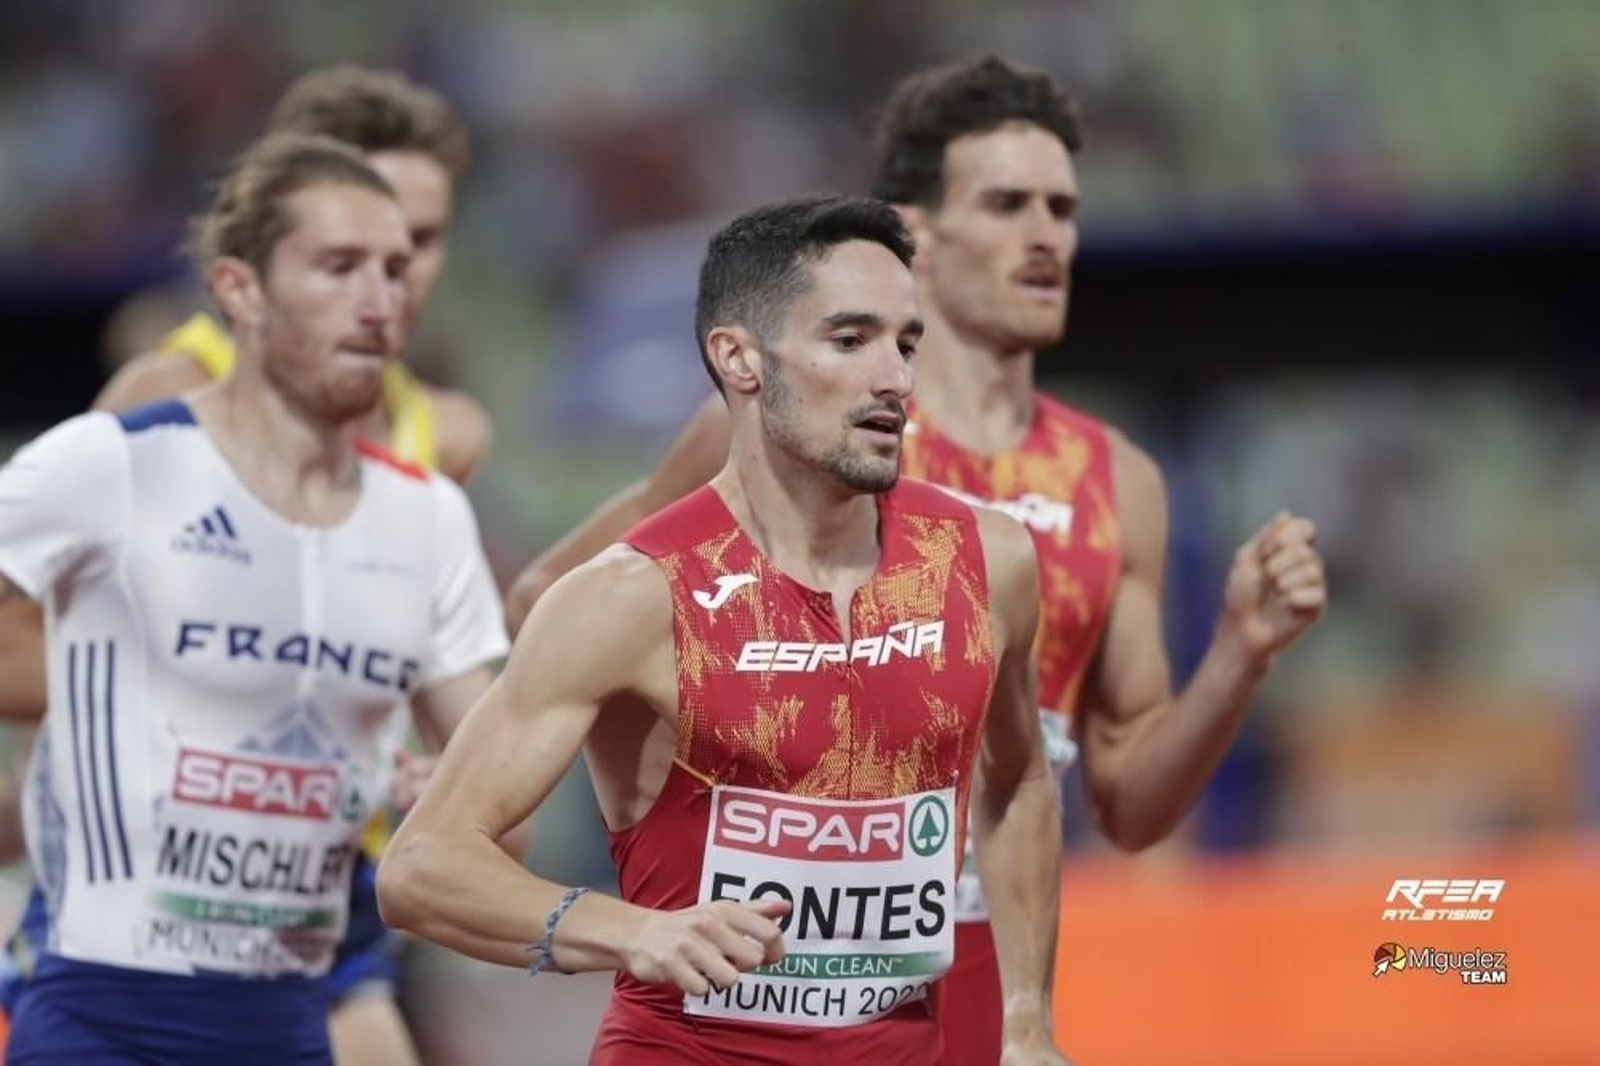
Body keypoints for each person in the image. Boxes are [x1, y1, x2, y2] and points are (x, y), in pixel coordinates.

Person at [501, 55, 1327, 1063]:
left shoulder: (1117, 483)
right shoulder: (801, 429)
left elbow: (1128, 804)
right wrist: (655, 854)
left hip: (989, 958)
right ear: (917, 231)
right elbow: (558, 599)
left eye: (1063, 207)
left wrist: (1240, 651)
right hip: (770, 984)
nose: (1046, 236)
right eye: (1008, 203)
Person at [379, 195, 1068, 1064]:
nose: (894, 377)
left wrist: (1028, 1021)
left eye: (906, 343)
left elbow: (1018, 782)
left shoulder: (987, 562)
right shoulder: (632, 599)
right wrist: (628, 932)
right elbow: (421, 867)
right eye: (850, 341)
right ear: (739, 358)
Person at [0, 65, 494, 1066]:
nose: (389, 283)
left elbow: (473, 725)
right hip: (135, 918)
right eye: (344, 250)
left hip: (334, 880)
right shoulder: (165, 400)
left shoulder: (439, 438)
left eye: (415, 247)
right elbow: (70, 625)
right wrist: (176, 733)